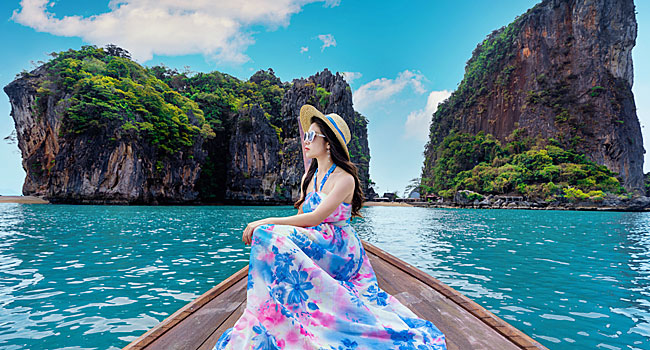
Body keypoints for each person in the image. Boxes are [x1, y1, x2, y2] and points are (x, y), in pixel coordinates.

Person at [214, 104, 447, 350]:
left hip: (339, 247)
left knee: (266, 233)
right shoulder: (309, 177)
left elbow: (314, 218)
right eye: (305, 135)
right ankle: (272, 312)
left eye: (312, 135)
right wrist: (271, 227)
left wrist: (265, 221)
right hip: (315, 238)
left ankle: (280, 308)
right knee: (270, 239)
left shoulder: (345, 179)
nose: (305, 140)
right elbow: (301, 216)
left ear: (328, 143)